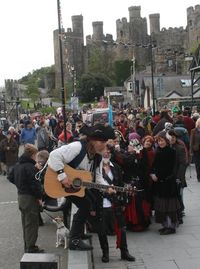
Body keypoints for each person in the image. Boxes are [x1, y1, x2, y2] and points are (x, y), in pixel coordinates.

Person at [47, 124, 116, 251]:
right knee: (85, 205)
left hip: (75, 185)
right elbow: (54, 155)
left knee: (91, 202)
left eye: (105, 142)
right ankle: (74, 240)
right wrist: (62, 176)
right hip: (63, 182)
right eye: (102, 142)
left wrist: (107, 187)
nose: (104, 145)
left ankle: (77, 232)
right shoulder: (77, 147)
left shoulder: (98, 156)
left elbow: (98, 177)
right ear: (92, 141)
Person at [89, 145, 135, 262]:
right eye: (104, 152)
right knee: (102, 230)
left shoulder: (117, 168)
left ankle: (124, 252)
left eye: (108, 152)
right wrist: (92, 207)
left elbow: (121, 185)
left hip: (115, 203)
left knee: (121, 228)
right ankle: (105, 253)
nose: (106, 154)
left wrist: (123, 202)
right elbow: (92, 190)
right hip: (101, 204)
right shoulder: (94, 170)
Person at [8, 144, 44, 253]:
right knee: (32, 223)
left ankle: (27, 245)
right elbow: (35, 184)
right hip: (29, 198)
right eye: (36, 155)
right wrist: (39, 197)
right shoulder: (30, 167)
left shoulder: (18, 164)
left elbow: (10, 177)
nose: (36, 158)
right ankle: (31, 247)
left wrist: (20, 185)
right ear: (32, 154)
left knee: (25, 223)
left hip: (21, 196)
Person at [150, 131, 180, 235]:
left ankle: (170, 227)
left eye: (162, 140)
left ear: (167, 141)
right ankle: (165, 225)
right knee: (161, 206)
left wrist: (158, 176)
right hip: (160, 183)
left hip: (168, 183)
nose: (160, 143)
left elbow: (169, 168)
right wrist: (152, 173)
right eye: (158, 141)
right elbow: (154, 165)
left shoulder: (171, 151)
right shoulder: (158, 151)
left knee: (168, 206)